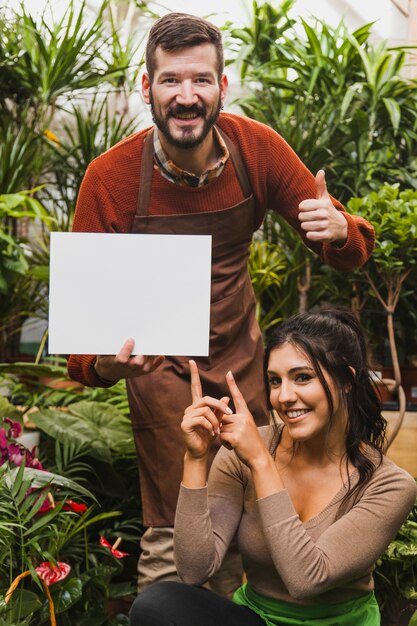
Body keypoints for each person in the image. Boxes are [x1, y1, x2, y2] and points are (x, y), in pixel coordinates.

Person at [67, 12, 375, 592]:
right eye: (171, 81)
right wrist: (106, 364)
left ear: (222, 86)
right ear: (147, 88)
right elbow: (85, 349)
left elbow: (345, 247)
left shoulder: (256, 150)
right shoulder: (109, 179)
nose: (187, 97)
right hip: (158, 377)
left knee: (251, 519)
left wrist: (340, 231)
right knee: (171, 533)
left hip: (244, 365)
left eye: (201, 80)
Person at [129, 309, 417, 626]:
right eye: (274, 381)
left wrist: (261, 462)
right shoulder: (244, 452)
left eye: (302, 377)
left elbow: (308, 580)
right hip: (258, 618)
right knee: (159, 604)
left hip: (337, 623)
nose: (284, 396)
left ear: (346, 380)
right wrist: (195, 459)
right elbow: (195, 569)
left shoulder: (389, 484)